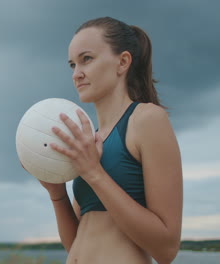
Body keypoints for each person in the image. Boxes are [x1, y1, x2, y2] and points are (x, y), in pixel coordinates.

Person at [35, 17, 182, 264]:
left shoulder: (147, 120)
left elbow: (166, 249)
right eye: (72, 65)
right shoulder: (91, 140)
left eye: (86, 59)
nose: (76, 74)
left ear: (123, 62)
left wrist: (94, 173)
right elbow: (76, 244)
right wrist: (57, 193)